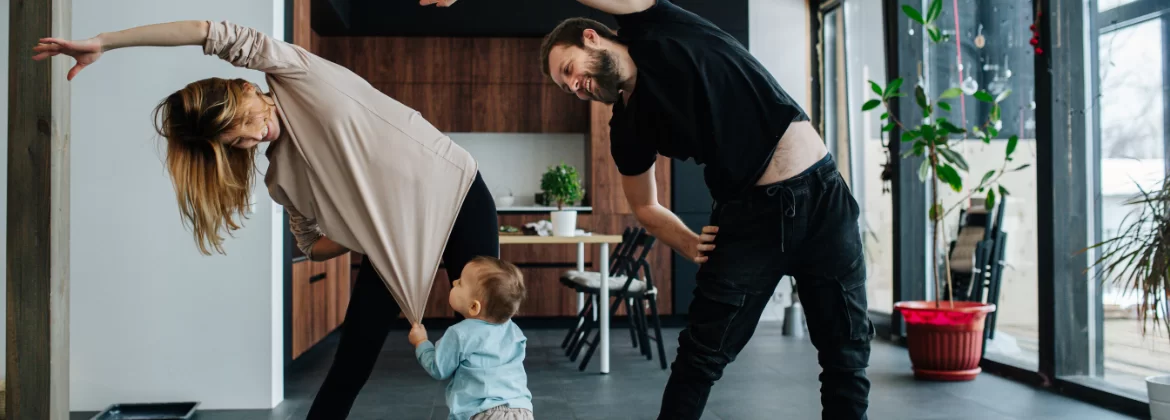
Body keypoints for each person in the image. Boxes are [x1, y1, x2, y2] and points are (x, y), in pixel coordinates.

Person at [425, 0, 874, 418]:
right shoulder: (626, 129)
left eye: (570, 71)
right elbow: (645, 205)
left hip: (823, 198)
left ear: (591, 37)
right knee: (700, 358)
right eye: (567, 89)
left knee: (846, 357)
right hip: (748, 216)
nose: (576, 88)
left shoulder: (656, 27)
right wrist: (689, 242)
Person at [34, 19, 499, 419]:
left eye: (245, 121)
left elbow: (204, 31)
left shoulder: (294, 72)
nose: (255, 136)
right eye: (237, 143)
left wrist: (106, 42)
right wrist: (358, 230)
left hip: (456, 194)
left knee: (487, 340)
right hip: (393, 243)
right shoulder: (281, 179)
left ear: (244, 91)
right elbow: (311, 244)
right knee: (352, 360)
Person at [409, 256, 533, 420]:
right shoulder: (513, 330)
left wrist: (421, 342)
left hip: (483, 412)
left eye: (460, 283)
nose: (454, 282)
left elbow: (438, 368)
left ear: (474, 306)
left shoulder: (460, 333)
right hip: (521, 410)